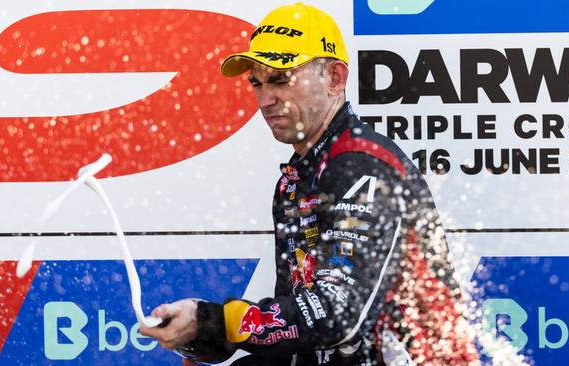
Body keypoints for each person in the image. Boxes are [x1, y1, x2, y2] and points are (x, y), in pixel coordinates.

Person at [140, 3, 478, 365]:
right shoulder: (298, 179)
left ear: (335, 78)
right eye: (258, 82)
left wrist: (217, 322)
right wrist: (202, 334)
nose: (265, 100)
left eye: (281, 79)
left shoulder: (360, 166)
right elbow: (300, 337)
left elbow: (338, 311)